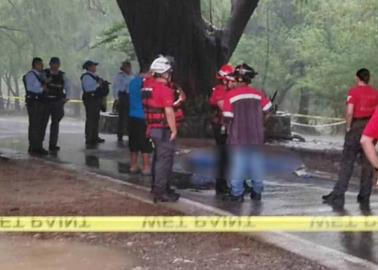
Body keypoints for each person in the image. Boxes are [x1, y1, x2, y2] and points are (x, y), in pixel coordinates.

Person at [322, 68, 378, 209]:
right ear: (368, 78)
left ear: (356, 78)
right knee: (367, 164)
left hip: (356, 127)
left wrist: (348, 126)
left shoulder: (353, 92)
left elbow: (350, 111)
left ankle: (338, 195)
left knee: (347, 162)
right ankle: (364, 195)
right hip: (371, 127)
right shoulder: (375, 93)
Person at [222, 63, 272, 202]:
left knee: (238, 167)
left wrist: (227, 129)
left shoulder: (230, 95)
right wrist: (259, 123)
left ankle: (237, 194)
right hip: (256, 137)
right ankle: (257, 192)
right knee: (257, 165)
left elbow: (227, 118)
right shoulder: (258, 94)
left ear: (239, 79)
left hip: (238, 138)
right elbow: (268, 111)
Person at [142, 56, 181, 203]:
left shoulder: (147, 85)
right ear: (164, 73)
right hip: (163, 129)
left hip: (151, 128)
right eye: (169, 72)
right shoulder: (164, 90)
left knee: (158, 159)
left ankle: (159, 187)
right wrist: (174, 129)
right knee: (164, 160)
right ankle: (161, 192)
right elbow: (169, 111)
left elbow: (147, 76)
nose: (170, 74)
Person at [209, 64, 235, 195]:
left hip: (229, 126)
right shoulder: (219, 91)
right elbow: (225, 108)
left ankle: (234, 182)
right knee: (224, 156)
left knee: (232, 156)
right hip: (221, 127)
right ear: (224, 79)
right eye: (232, 79)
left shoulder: (230, 91)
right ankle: (221, 184)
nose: (234, 82)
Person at [41, 57, 71, 153]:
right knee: (43, 123)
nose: (55, 66)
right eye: (54, 64)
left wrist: (66, 98)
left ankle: (53, 144)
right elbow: (40, 84)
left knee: (55, 123)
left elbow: (68, 86)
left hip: (57, 101)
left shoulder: (62, 75)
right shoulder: (44, 73)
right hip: (45, 101)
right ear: (50, 64)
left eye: (57, 64)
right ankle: (39, 144)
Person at [128, 67, 153, 174]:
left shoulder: (133, 81)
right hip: (143, 116)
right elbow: (148, 101)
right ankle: (146, 167)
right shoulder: (146, 83)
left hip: (132, 115)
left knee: (133, 141)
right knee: (145, 142)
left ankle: (133, 165)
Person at [81, 60, 109, 149]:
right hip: (90, 98)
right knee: (90, 118)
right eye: (93, 66)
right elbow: (88, 88)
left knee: (96, 118)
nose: (95, 67)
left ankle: (95, 136)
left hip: (96, 98)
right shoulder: (86, 76)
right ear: (89, 67)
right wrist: (98, 84)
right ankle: (89, 137)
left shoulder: (95, 76)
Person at [23, 57, 49, 156]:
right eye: (40, 64)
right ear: (35, 65)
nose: (42, 66)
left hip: (41, 101)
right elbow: (31, 88)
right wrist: (42, 87)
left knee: (41, 124)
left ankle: (38, 145)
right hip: (34, 102)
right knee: (34, 124)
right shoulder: (30, 75)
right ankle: (33, 146)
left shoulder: (41, 75)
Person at [113, 61, 134, 143]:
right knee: (122, 117)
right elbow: (116, 87)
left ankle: (130, 134)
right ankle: (120, 135)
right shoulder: (120, 76)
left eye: (129, 67)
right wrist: (116, 98)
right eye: (126, 67)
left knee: (130, 117)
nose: (128, 68)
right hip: (123, 95)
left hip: (130, 96)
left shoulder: (132, 76)